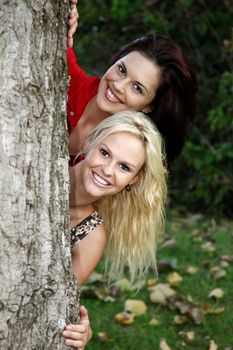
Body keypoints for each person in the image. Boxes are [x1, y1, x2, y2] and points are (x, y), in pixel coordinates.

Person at [63, 110, 167, 348]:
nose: (108, 170)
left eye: (124, 167)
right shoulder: (39, 162)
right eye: (104, 152)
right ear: (89, 141)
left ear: (134, 179)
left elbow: (59, 298)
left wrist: (82, 331)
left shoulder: (90, 234)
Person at [66, 2, 196, 165]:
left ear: (149, 106)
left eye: (137, 88)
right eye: (121, 70)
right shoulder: (64, 74)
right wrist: (65, 10)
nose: (119, 86)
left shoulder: (124, 161)